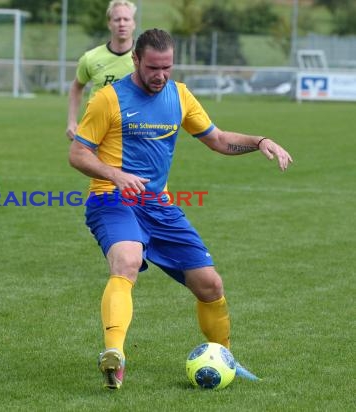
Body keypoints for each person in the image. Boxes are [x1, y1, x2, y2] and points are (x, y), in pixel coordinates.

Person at [68, 28, 293, 390]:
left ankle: (226, 358)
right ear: (136, 61)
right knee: (126, 261)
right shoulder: (108, 99)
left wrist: (259, 141)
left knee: (210, 285)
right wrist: (116, 175)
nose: (161, 75)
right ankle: (114, 356)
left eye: (167, 67)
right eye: (153, 68)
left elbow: (217, 139)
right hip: (112, 199)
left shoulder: (179, 95)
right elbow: (78, 153)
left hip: (159, 205)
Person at [66, 0, 137, 140]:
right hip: (96, 131)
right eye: (117, 19)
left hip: (132, 132)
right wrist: (72, 121)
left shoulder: (144, 59)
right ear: (109, 24)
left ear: (133, 23)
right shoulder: (90, 58)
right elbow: (76, 87)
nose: (122, 24)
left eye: (126, 19)